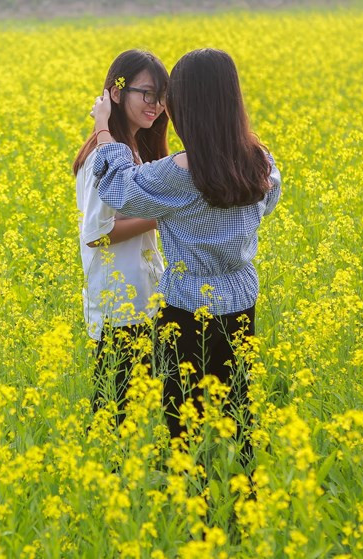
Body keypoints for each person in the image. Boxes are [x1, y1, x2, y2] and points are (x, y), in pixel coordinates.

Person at [90, 48, 282, 458]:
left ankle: (195, 508)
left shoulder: (179, 172)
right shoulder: (259, 162)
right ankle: (241, 503)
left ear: (186, 107)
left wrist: (104, 130)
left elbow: (117, 188)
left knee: (184, 429)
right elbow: (269, 199)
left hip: (185, 313)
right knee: (238, 416)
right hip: (241, 305)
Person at [75, 50, 167, 426]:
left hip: (144, 299)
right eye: (147, 93)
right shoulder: (102, 156)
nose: (156, 105)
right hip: (118, 306)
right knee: (115, 421)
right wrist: (162, 216)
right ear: (116, 92)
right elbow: (96, 235)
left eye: (162, 96)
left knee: (142, 419)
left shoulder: (133, 151)